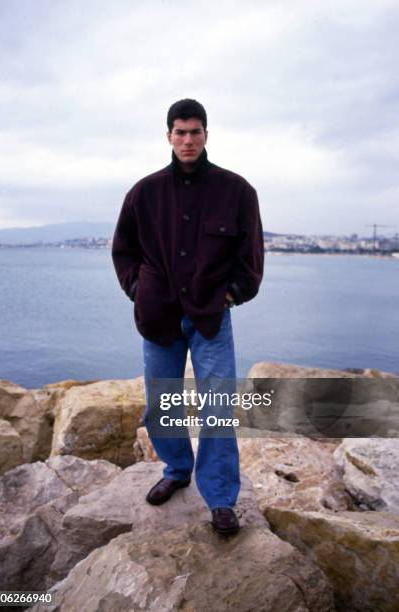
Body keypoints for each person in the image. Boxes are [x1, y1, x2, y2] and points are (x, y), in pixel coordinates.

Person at [112, 99, 263, 535]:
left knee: (216, 408)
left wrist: (230, 295)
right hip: (158, 318)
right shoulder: (144, 193)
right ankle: (177, 469)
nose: (188, 140)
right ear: (168, 136)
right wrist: (139, 292)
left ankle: (220, 499)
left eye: (195, 132)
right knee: (162, 403)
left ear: (206, 135)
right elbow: (123, 251)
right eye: (180, 132)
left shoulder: (238, 192)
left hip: (210, 319)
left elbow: (250, 258)